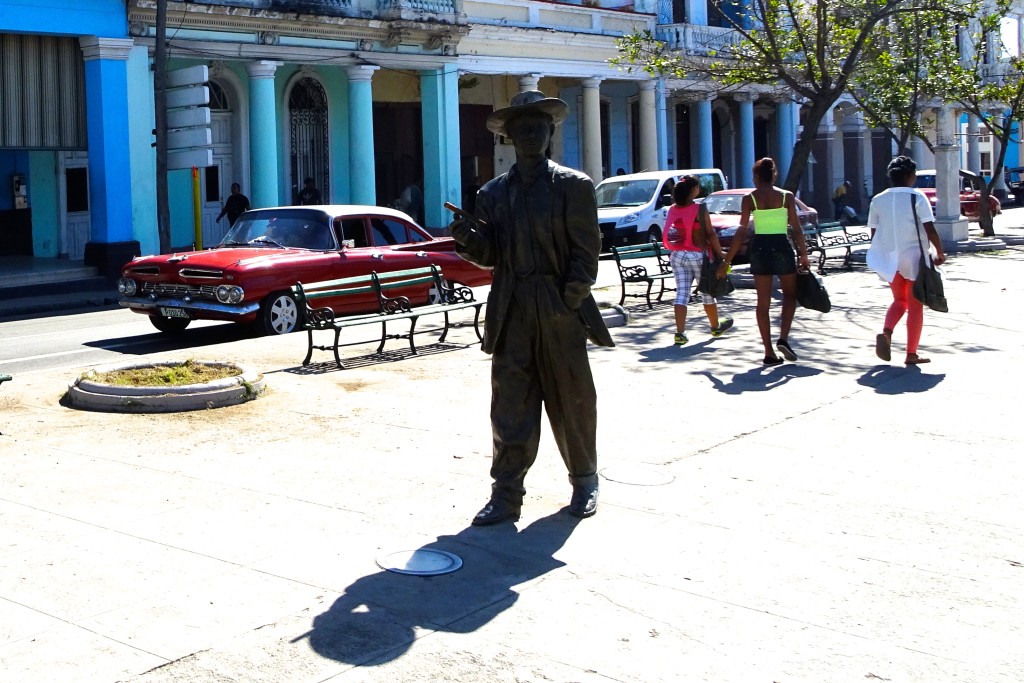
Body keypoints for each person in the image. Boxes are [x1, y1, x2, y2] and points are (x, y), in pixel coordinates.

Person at [448, 90, 614, 526]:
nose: (531, 134)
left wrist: (571, 297)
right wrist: (468, 240)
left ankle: (584, 480)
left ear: (550, 132)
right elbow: (491, 254)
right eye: (522, 128)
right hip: (512, 307)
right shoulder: (493, 192)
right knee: (510, 405)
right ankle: (506, 494)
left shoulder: (573, 186)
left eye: (539, 126)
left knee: (572, 397)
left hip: (559, 305)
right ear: (508, 137)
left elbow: (586, 250)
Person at [719, 157, 811, 365]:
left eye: (754, 176)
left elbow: (742, 230)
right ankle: (783, 338)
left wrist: (728, 260)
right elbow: (796, 228)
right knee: (790, 295)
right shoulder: (786, 197)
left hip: (759, 248)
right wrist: (803, 254)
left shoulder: (749, 199)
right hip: (781, 246)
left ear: (758, 176)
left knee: (763, 302)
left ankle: (768, 351)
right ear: (774, 175)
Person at [866, 155, 947, 365]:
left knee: (898, 300)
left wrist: (883, 254)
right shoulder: (917, 198)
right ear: (911, 176)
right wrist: (939, 251)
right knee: (915, 305)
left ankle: (886, 332)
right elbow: (929, 228)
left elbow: (873, 232)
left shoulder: (878, 199)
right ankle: (911, 353)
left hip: (889, 259)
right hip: (914, 258)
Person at [662, 175, 733, 345]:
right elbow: (710, 233)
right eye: (698, 187)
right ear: (693, 190)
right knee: (707, 292)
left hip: (678, 255)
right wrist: (722, 254)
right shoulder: (700, 208)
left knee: (682, 294)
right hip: (697, 255)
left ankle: (680, 333)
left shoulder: (673, 209)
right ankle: (715, 327)